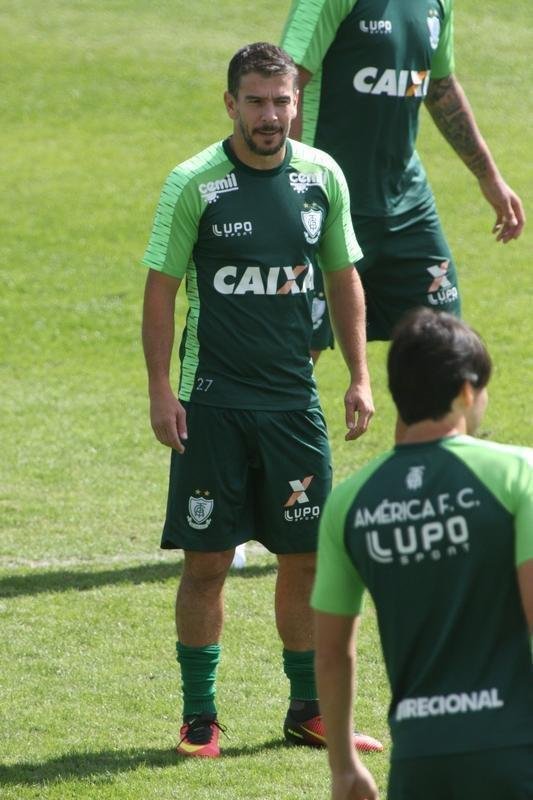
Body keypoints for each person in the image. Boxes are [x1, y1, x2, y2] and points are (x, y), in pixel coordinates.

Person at [141, 42, 382, 758]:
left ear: (294, 103)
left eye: (281, 101)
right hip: (211, 404)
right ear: (230, 104)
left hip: (293, 406)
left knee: (304, 559)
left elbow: (342, 278)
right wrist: (160, 390)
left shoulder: (320, 176)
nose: (270, 115)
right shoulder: (195, 184)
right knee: (208, 561)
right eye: (255, 101)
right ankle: (198, 717)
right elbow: (161, 291)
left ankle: (307, 710)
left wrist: (360, 374)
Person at [312, 307, 533, 800]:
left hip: (419, 761)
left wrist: (344, 766)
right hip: (516, 750)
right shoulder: (520, 475)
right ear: (466, 391)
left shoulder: (349, 502)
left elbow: (330, 652)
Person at [281, 1, 525, 356]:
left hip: (407, 209)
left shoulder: (436, 3)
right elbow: (286, 86)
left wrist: (489, 177)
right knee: (294, 360)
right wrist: (287, 189)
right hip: (327, 205)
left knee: (444, 353)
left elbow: (439, 87)